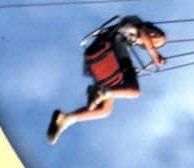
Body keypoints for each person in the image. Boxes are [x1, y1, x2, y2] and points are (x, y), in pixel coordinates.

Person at [47, 16, 166, 144]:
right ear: (152, 27)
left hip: (101, 60)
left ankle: (66, 119)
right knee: (133, 91)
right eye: (157, 35)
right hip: (110, 46)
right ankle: (101, 92)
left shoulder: (135, 38)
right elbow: (143, 33)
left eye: (156, 43)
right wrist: (154, 54)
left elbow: (144, 39)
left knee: (104, 110)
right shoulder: (136, 23)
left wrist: (153, 55)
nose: (153, 39)